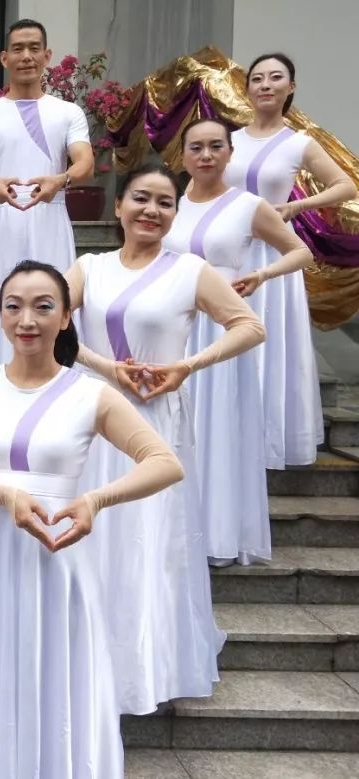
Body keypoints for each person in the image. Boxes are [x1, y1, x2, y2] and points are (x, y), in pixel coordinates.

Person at [0, 260, 184, 778]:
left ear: (66, 317)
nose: (28, 319)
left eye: (44, 307)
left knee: (60, 675)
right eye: (14, 306)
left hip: (60, 554)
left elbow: (165, 463)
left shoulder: (91, 393)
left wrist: (94, 501)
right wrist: (2, 496)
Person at [65, 163, 265, 714]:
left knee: (149, 538)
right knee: (97, 532)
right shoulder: (90, 267)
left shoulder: (191, 270)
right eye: (141, 199)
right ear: (119, 206)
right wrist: (105, 367)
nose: (151, 211)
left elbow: (250, 326)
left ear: (176, 213)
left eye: (164, 203)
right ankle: (86, 656)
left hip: (158, 418)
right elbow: (50, 320)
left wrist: (187, 365)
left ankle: (146, 664)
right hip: (96, 415)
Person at [163, 118, 312, 565]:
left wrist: (262, 273)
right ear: (183, 155)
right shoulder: (169, 203)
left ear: (230, 153)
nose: (205, 155)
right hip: (174, 322)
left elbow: (301, 250)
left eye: (215, 147)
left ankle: (216, 536)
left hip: (222, 327)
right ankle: (171, 529)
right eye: (196, 147)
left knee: (217, 427)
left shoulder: (248, 205)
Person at [225, 53, 357, 468]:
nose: (265, 85)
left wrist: (299, 208)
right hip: (223, 250)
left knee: (267, 344)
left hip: (271, 254)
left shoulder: (298, 142)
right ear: (247, 88)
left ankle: (265, 439)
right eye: (257, 78)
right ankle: (223, 433)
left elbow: (345, 184)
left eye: (275, 78)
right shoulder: (228, 139)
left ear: (290, 88)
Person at [0, 19, 94, 372]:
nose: (26, 56)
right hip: (1, 223)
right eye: (18, 49)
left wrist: (59, 180)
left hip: (50, 216)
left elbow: (85, 164)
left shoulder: (67, 112)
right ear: (4, 58)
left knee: (55, 298)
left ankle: (57, 384)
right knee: (0, 302)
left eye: (34, 48)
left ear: (47, 55)